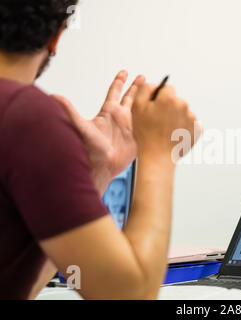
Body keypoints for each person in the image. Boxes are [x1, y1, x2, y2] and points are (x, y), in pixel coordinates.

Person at [0, 0, 199, 299]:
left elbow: (17, 284)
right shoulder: (27, 115)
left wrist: (99, 172)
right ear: (56, 35)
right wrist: (159, 151)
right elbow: (129, 295)